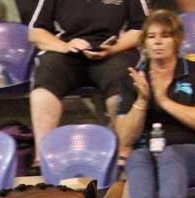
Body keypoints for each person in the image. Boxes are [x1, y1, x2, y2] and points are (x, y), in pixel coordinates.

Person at [117, 9, 195, 198]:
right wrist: (142, 100)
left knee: (171, 154)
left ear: (177, 40)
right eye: (151, 36)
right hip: (151, 157)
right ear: (144, 43)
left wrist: (163, 100)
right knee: (136, 157)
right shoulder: (134, 79)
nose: (157, 42)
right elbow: (125, 138)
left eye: (165, 35)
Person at [28, 0, 148, 163]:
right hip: (67, 51)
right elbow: (35, 32)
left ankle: (123, 152)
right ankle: (43, 157)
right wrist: (65, 46)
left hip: (114, 52)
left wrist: (114, 48)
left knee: (122, 77)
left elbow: (142, 29)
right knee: (46, 77)